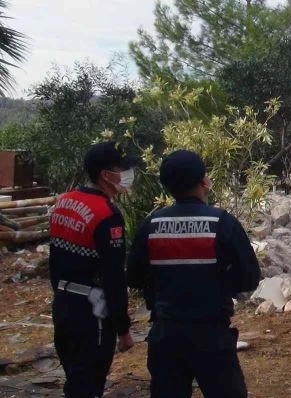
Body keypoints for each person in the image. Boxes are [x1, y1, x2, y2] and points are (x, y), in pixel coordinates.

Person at [127, 150, 261, 398]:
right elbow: (250, 277)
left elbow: (133, 276)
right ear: (204, 182)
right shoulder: (222, 222)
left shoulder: (151, 224)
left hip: (165, 335)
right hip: (212, 336)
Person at [49, 141, 136, 398]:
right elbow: (113, 276)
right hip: (91, 311)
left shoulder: (63, 203)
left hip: (64, 303)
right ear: (105, 175)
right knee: (88, 383)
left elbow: (54, 260)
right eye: (121, 169)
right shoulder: (106, 215)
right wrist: (123, 328)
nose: (126, 175)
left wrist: (60, 297)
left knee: (75, 377)